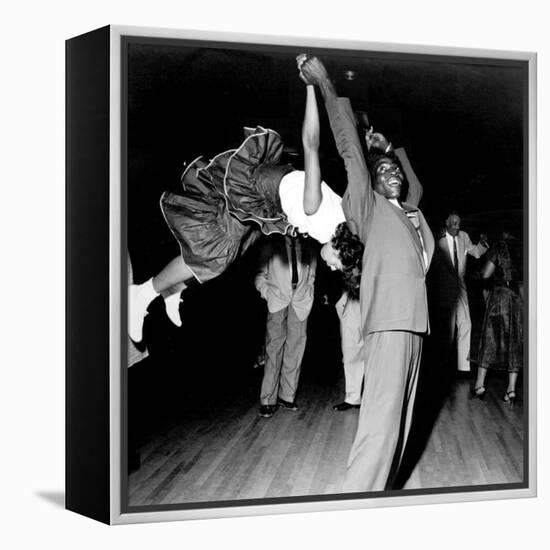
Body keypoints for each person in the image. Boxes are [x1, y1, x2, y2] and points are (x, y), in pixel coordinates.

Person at [128, 79, 363, 343]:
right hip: (257, 188)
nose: (331, 268)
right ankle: (142, 294)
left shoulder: (344, 222)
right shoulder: (315, 209)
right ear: (343, 248)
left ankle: (174, 287)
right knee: (213, 251)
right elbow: (311, 144)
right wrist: (310, 86)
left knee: (233, 253)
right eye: (339, 266)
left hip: (269, 205)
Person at [299, 55, 435, 492]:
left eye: (393, 168)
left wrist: (393, 148)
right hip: (391, 323)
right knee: (380, 426)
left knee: (401, 426)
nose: (390, 172)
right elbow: (351, 152)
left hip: (415, 326)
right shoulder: (368, 208)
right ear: (371, 185)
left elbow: (414, 187)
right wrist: (325, 83)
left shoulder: (408, 211)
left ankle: (380, 496)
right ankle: (357, 502)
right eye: (383, 172)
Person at [255, 235, 317, 417]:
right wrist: (268, 294)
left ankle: (287, 397)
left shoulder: (308, 244)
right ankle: (268, 400)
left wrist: (309, 292)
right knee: (274, 349)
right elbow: (260, 276)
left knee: (295, 349)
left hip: (300, 302)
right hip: (277, 301)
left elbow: (312, 274)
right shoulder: (270, 243)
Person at [430, 212, 489, 374]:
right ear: (446, 222)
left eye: (458, 223)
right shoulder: (437, 238)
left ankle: (463, 367)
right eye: (453, 223)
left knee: (466, 323)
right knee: (447, 326)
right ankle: (444, 365)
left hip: (460, 284)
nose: (457, 226)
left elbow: (475, 252)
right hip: (443, 285)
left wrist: (483, 244)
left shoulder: (463, 237)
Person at [472, 229, 523, 405]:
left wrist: (477, 274)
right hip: (516, 298)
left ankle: (479, 385)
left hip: (500, 296)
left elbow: (486, 274)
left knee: (489, 338)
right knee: (513, 342)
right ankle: (511, 389)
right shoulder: (522, 249)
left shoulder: (498, 247)